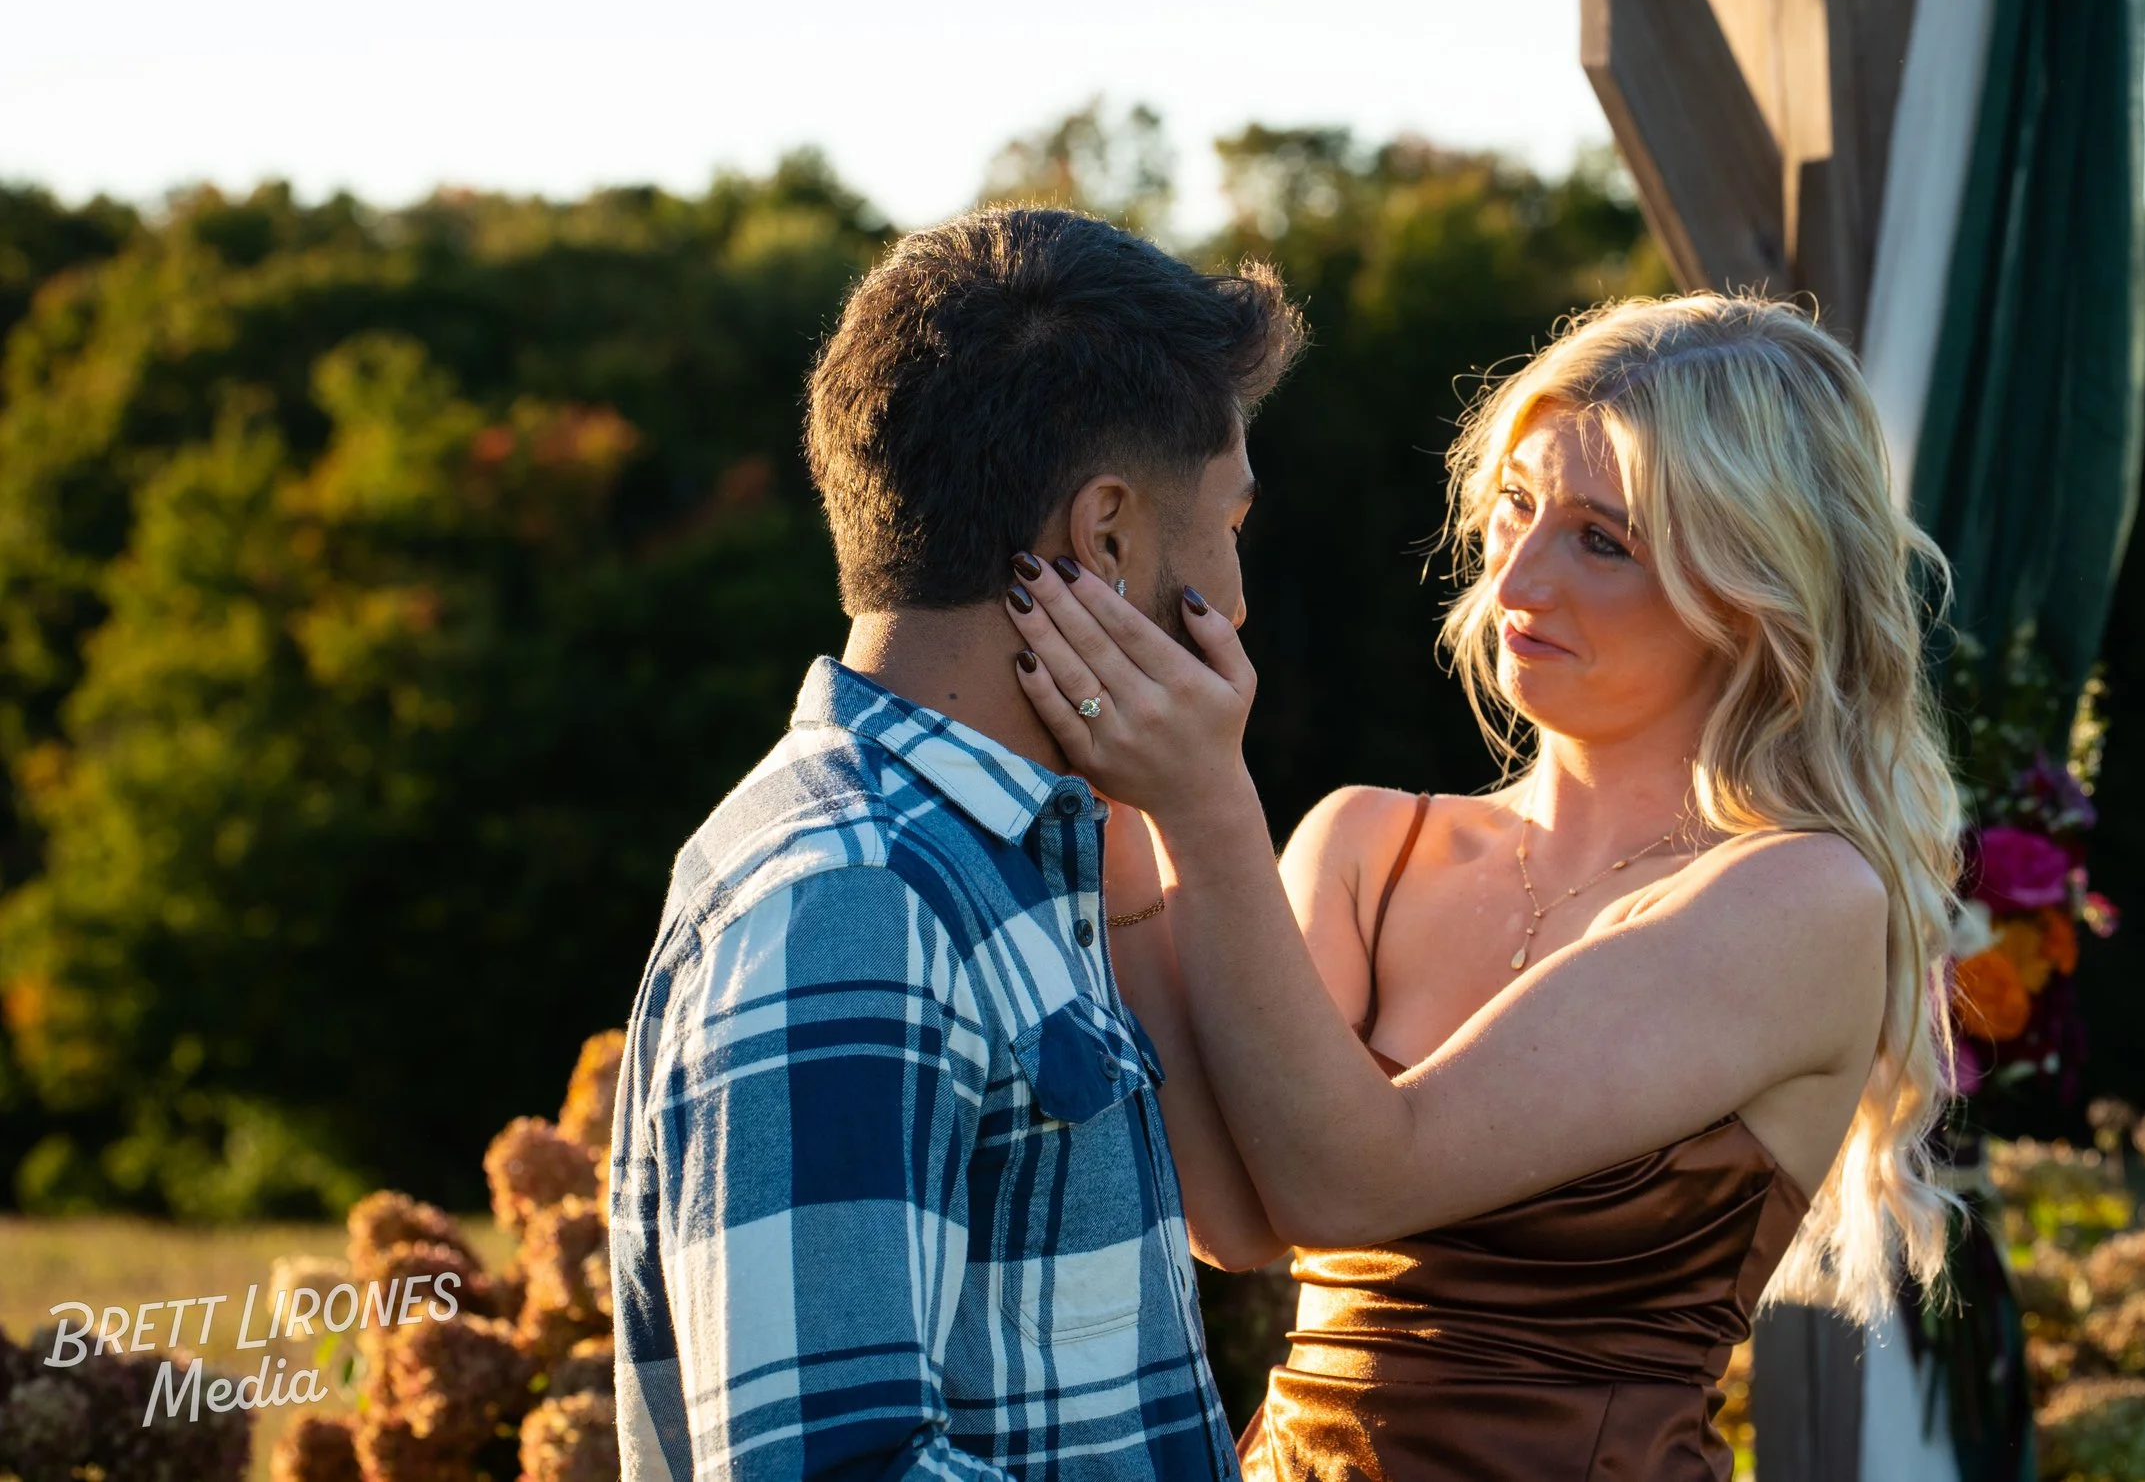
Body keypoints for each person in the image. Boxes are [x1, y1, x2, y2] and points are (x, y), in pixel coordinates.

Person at [998, 295, 1966, 1481]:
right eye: (1514, 504)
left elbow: (1352, 1180)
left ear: (1752, 585)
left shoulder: (1800, 895)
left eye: (1601, 540)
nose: (1516, 573)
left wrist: (1204, 805)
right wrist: (1126, 811)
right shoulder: (1369, 843)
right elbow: (1239, 1219)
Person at [608, 205, 1306, 1481]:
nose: (1238, 593)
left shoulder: (990, 853)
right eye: (1231, 525)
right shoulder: (856, 895)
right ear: (1105, 532)